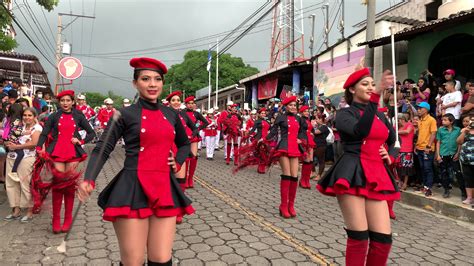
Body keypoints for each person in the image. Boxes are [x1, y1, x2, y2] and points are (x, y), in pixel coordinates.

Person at [78, 57, 193, 266]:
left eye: (157, 79)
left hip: (164, 187)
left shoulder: (171, 114)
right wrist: (89, 179)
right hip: (132, 187)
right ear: (135, 83)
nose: (152, 84)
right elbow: (102, 149)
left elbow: (185, 144)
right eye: (145, 79)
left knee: (161, 259)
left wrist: (176, 161)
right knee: (133, 261)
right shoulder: (124, 114)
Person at [317, 68, 399, 266]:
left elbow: (393, 139)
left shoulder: (380, 115)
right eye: (365, 84)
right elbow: (360, 131)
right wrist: (376, 97)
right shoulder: (344, 114)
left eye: (373, 84)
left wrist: (390, 155)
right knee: (359, 237)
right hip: (352, 171)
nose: (371, 87)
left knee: (383, 239)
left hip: (377, 173)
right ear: (352, 89)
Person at [36, 90, 95, 233]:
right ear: (59, 102)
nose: (65, 103)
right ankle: (56, 219)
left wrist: (80, 141)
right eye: (62, 101)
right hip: (56, 151)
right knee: (58, 184)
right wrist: (39, 148)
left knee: (69, 185)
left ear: (73, 101)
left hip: (73, 152)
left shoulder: (78, 115)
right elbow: (45, 133)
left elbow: (91, 133)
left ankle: (67, 218)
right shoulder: (54, 116)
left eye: (68, 100)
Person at [266, 96, 307, 218]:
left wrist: (301, 139)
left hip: (295, 147)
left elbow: (303, 131)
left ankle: (291, 205)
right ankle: (283, 205)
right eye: (290, 105)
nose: (293, 107)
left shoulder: (299, 119)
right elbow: (273, 131)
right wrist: (264, 139)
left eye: (295, 105)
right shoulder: (281, 117)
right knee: (287, 175)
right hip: (284, 146)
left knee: (294, 176)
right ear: (286, 106)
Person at [3, 108, 42, 222]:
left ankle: (29, 211)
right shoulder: (19, 126)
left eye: (30, 115)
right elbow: (8, 137)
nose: (27, 117)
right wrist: (8, 143)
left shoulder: (37, 128)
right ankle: (15, 210)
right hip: (12, 157)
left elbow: (34, 144)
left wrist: (16, 146)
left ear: (35, 116)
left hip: (27, 158)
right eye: (25, 115)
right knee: (11, 184)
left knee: (25, 184)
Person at [165, 90, 196, 224]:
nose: (176, 102)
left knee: (180, 181)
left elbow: (194, 128)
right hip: (167, 149)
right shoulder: (163, 114)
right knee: (166, 181)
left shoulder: (184, 115)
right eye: (173, 100)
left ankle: (178, 212)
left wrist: (190, 136)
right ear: (169, 103)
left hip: (180, 150)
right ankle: (166, 207)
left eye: (178, 100)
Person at [436, 113, 463, 198]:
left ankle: (464, 192)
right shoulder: (441, 130)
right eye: (442, 120)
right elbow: (438, 142)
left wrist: (458, 153)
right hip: (443, 154)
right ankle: (446, 190)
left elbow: (459, 143)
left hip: (453, 154)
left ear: (451, 121)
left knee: (457, 172)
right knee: (444, 173)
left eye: (445, 120)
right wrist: (438, 155)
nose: (442, 121)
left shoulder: (458, 130)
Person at [183, 96, 208, 188]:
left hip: (194, 137)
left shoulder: (197, 114)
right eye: (189, 103)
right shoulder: (182, 113)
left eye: (192, 103)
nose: (191, 105)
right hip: (185, 137)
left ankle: (190, 178)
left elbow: (206, 122)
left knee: (193, 157)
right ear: (186, 104)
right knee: (186, 158)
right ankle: (184, 178)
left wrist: (197, 129)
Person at [414, 101, 437, 197]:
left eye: (420, 108)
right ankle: (424, 187)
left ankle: (429, 188)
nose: (418, 110)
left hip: (427, 148)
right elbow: (419, 134)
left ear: (426, 110)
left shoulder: (431, 120)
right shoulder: (420, 120)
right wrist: (416, 145)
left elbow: (433, 133)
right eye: (418, 108)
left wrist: (428, 146)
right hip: (419, 147)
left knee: (428, 168)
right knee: (422, 168)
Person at [247, 107, 271, 174]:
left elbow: (271, 129)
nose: (263, 114)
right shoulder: (257, 121)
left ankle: (262, 167)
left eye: (264, 113)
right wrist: (248, 135)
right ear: (259, 114)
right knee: (261, 153)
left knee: (265, 153)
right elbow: (253, 129)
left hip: (266, 138)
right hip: (260, 138)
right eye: (262, 113)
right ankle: (260, 167)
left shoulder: (267, 121)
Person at [457, 115, 474, 205]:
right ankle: (469, 197)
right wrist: (463, 132)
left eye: (470, 121)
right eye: (467, 121)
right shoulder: (465, 131)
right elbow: (459, 142)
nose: (469, 123)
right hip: (465, 160)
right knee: (468, 179)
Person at [396, 113, 415, 191]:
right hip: (398, 149)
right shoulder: (398, 127)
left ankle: (405, 183)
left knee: (406, 168)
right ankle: (400, 182)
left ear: (402, 119)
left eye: (398, 120)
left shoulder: (409, 124)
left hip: (407, 150)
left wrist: (396, 132)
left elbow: (407, 132)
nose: (397, 122)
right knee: (398, 167)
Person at [298, 105, 315, 189]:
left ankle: (307, 181)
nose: (307, 113)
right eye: (305, 111)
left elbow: (311, 130)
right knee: (307, 160)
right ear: (301, 112)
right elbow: (297, 130)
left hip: (309, 140)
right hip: (303, 140)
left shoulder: (308, 120)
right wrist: (298, 139)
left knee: (311, 160)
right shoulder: (300, 120)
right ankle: (302, 181)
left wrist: (311, 132)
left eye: (308, 111)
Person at [312, 114, 330, 182]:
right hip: (316, 145)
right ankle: (313, 172)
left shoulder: (324, 127)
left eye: (317, 119)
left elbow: (316, 132)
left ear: (321, 120)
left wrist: (312, 128)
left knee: (321, 160)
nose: (316, 120)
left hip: (321, 145)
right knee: (311, 159)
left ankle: (319, 175)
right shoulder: (319, 126)